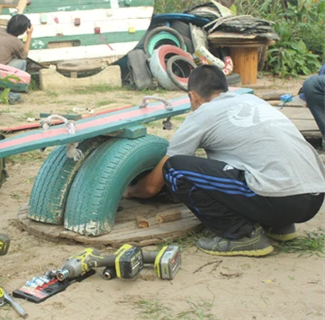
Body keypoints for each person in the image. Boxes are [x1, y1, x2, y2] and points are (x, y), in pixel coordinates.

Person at [124, 65, 325, 257]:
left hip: (282, 199)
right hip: (314, 196)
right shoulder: (254, 102)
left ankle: (241, 235)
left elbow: (152, 186)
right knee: (252, 162)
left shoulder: (202, 114)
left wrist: (130, 191)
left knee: (175, 169)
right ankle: (279, 225)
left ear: (192, 96)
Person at [0, 14, 33, 113]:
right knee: (21, 62)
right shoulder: (15, 42)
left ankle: (2, 91)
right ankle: (13, 97)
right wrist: (29, 35)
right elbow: (24, 55)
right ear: (23, 30)